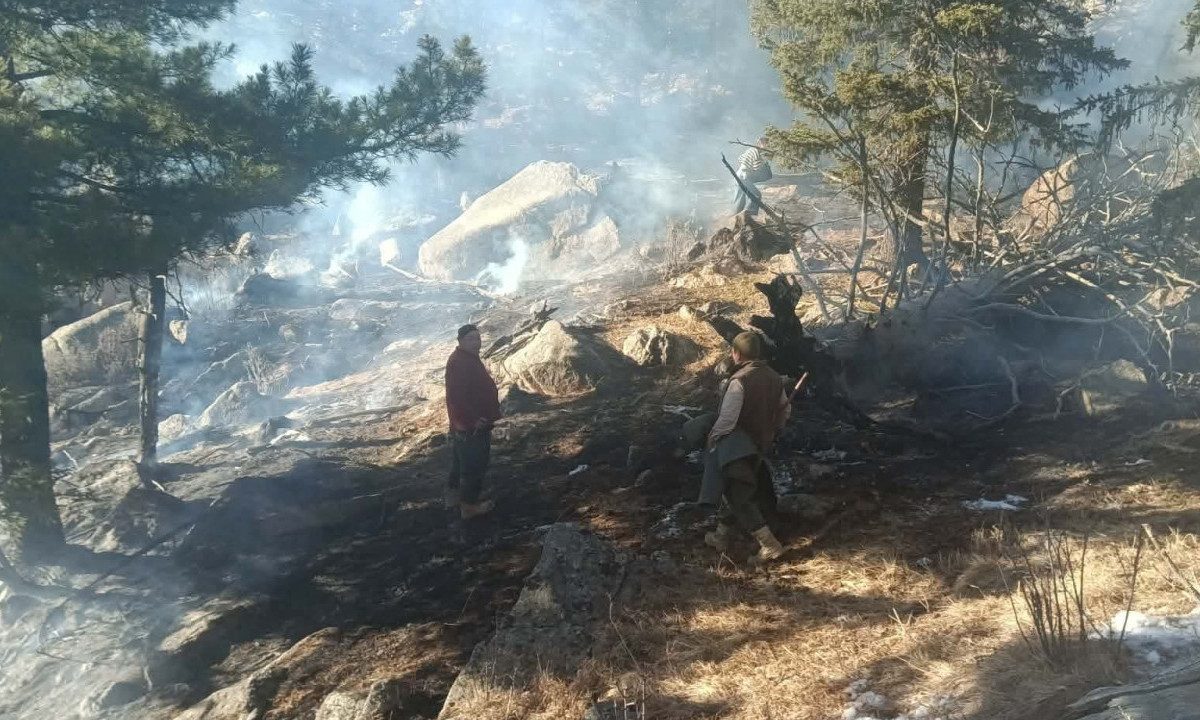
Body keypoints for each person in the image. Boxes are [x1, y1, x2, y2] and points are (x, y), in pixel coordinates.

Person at [704, 331, 791, 563]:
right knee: (744, 485)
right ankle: (722, 536)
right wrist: (773, 431)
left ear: (736, 353)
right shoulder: (774, 377)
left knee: (738, 494)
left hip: (738, 446)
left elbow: (728, 419)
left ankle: (770, 545)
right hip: (760, 444)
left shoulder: (739, 381)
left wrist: (713, 437)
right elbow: (785, 411)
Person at [445, 324, 501, 519]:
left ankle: (453, 498)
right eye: (471, 339)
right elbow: (457, 398)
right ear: (460, 341)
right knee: (474, 465)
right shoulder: (459, 363)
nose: (476, 342)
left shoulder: (467, 358)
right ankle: (469, 506)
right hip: (471, 426)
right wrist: (473, 420)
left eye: (477, 338)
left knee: (460, 462)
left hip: (468, 424)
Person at [732, 139, 772, 216]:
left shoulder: (753, 151)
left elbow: (740, 159)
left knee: (740, 200)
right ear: (759, 143)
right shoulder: (754, 151)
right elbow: (752, 165)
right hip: (743, 177)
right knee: (756, 195)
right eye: (766, 144)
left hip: (739, 176)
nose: (767, 146)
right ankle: (751, 214)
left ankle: (736, 217)